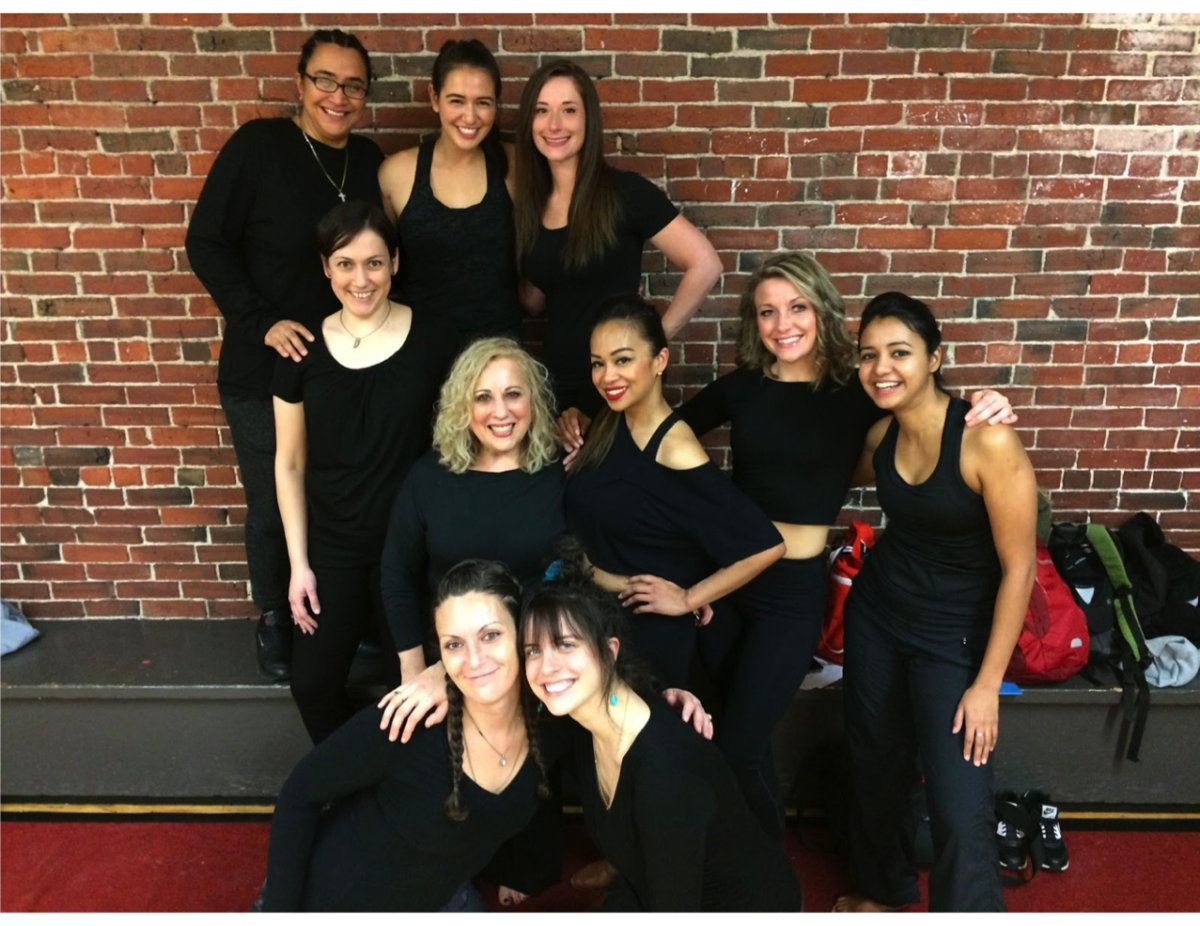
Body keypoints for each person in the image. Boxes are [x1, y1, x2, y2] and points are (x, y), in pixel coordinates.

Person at [561, 251, 1015, 841]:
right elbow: (651, 424)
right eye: (768, 311)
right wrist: (582, 416)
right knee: (715, 727)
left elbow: (928, 409)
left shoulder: (858, 392)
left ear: (821, 309)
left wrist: (988, 405)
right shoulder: (743, 389)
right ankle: (722, 859)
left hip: (789, 596)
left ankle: (763, 876)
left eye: (797, 307)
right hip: (727, 587)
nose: (783, 324)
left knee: (743, 740)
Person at [262, 558, 714, 911]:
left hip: (439, 899)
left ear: (522, 634)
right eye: (454, 645)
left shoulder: (552, 715)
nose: (473, 660)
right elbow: (299, 796)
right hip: (336, 901)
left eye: (491, 635)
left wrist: (663, 702)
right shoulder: (410, 722)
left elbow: (601, 677)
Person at [186, 28, 385, 682]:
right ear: (301, 83)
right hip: (259, 367)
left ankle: (333, 614)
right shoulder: (260, 146)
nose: (338, 95)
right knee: (275, 499)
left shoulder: (368, 161)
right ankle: (273, 616)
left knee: (335, 493)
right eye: (325, 80)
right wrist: (262, 320)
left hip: (341, 367)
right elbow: (206, 242)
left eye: (353, 85)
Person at [834, 292, 1037, 913]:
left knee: (958, 799)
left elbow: (1020, 567)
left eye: (900, 352)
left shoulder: (986, 441)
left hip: (952, 636)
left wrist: (986, 685)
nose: (882, 368)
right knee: (874, 764)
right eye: (869, 356)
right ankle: (884, 892)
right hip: (879, 615)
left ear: (935, 357)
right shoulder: (878, 434)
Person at [521, 547, 804, 912]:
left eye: (566, 644)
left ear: (609, 652)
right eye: (532, 650)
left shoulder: (665, 778)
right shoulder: (587, 717)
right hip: (655, 882)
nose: (546, 667)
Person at [272, 201, 460, 745]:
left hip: (412, 546)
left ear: (396, 262)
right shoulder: (299, 348)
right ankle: (363, 778)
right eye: (346, 264)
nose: (361, 279)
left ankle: (412, 788)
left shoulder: (434, 338)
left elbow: (460, 440)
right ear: (326, 268)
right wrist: (299, 565)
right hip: (334, 547)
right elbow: (288, 463)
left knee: (417, 682)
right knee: (311, 685)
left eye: (375, 263)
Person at [564, 294, 785, 691]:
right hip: (597, 620)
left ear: (660, 361)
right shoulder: (611, 421)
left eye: (623, 359)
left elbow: (764, 546)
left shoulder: (675, 447)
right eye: (599, 363)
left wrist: (687, 597)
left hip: (648, 637)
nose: (607, 376)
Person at [378, 337, 566, 740]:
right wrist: (417, 673)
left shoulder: (561, 472)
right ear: (464, 406)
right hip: (453, 660)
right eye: (483, 397)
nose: (501, 412)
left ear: (533, 400)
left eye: (513, 394)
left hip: (537, 662)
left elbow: (584, 574)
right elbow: (397, 575)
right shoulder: (429, 477)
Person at [514, 58, 722, 416]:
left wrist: (650, 347)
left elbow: (706, 264)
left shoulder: (626, 194)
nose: (554, 124)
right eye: (541, 110)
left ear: (588, 119)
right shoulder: (532, 205)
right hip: (555, 385)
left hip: (620, 384)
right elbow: (535, 301)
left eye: (568, 110)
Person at [378, 39, 522, 341]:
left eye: (483, 102)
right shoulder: (395, 174)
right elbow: (381, 269)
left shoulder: (517, 167)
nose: (470, 117)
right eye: (457, 100)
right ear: (434, 97)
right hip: (421, 355)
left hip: (500, 360)